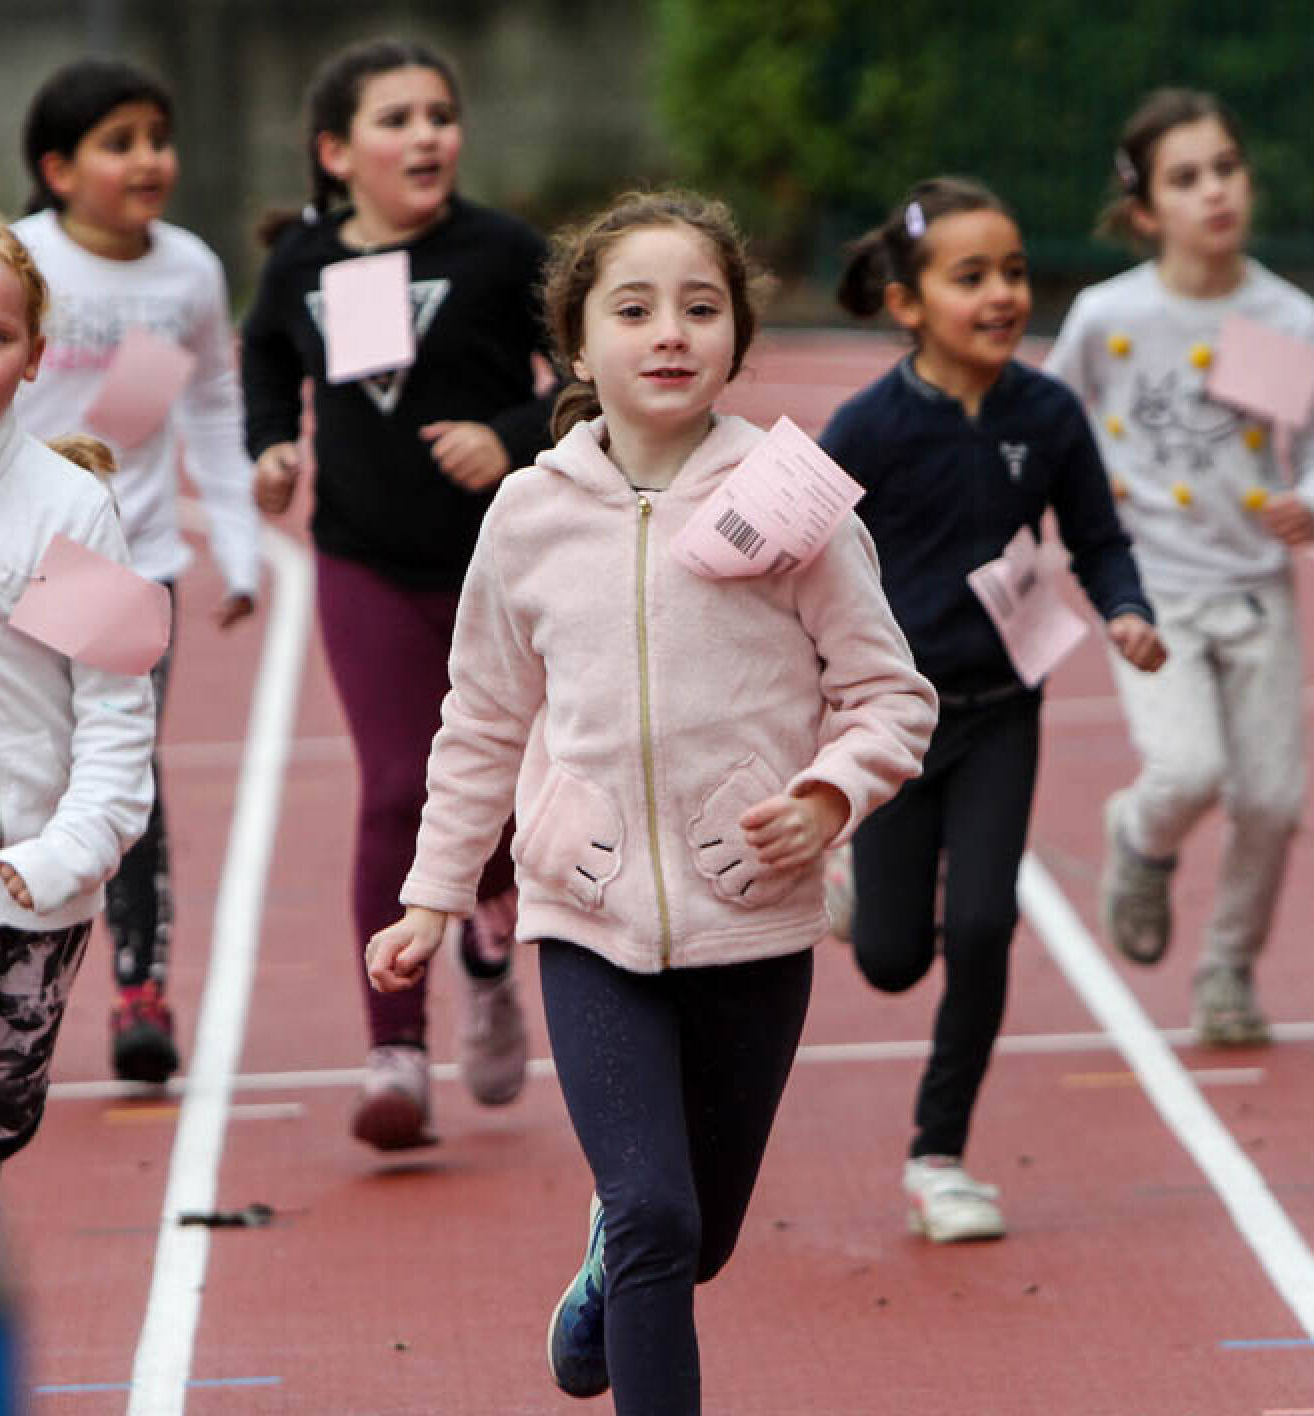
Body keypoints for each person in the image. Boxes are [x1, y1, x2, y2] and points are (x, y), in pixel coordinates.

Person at [368, 189, 937, 1414]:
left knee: (699, 1237)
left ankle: (606, 1281)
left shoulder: (792, 501)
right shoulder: (527, 515)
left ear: (737, 339)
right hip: (586, 914)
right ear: (578, 349)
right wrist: (432, 897)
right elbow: (482, 717)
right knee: (655, 1216)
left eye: (700, 307)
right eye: (633, 310)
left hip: (753, 916)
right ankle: (626, 1258)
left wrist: (828, 799)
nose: (669, 331)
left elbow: (890, 696)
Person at [819, 177, 1166, 1245]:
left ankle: (940, 1156)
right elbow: (791, 546)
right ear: (908, 303)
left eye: (1012, 271)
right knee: (890, 961)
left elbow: (1098, 538)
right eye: (970, 277)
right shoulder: (868, 427)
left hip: (1002, 711)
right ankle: (860, 886)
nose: (1003, 293)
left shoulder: (1048, 415)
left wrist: (1126, 610)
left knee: (981, 926)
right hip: (892, 722)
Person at [242, 39, 558, 1151]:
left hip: (502, 566)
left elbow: (587, 375)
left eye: (440, 114)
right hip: (364, 559)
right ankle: (396, 1050)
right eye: (397, 119)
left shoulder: (503, 252)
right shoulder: (302, 264)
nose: (426, 135)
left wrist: (510, 434)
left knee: (506, 791)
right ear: (336, 152)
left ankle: (489, 948)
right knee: (395, 786)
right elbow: (265, 359)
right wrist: (272, 446)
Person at [0, 210, 155, 1415]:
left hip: (41, 885)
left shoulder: (70, 508)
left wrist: (71, 849)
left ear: (35, 356)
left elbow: (116, 711)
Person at [13, 57, 262, 1085]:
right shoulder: (15, 262)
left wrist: (238, 546)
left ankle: (140, 988)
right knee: (13, 774)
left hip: (126, 561)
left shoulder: (187, 273)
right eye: (118, 143)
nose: (149, 159)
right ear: (58, 169)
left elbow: (208, 406)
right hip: (11, 559)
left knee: (122, 773)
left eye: (158, 138)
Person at [1047, 91, 1314, 1047]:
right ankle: (1140, 834)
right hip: (1149, 588)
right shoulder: (1106, 315)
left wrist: (1309, 498)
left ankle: (1228, 970)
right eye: (1187, 177)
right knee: (1189, 769)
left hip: (1257, 591)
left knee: (1273, 801)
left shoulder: (1287, 318)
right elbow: (1049, 421)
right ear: (1145, 209)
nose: (1215, 191)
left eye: (1226, 169)